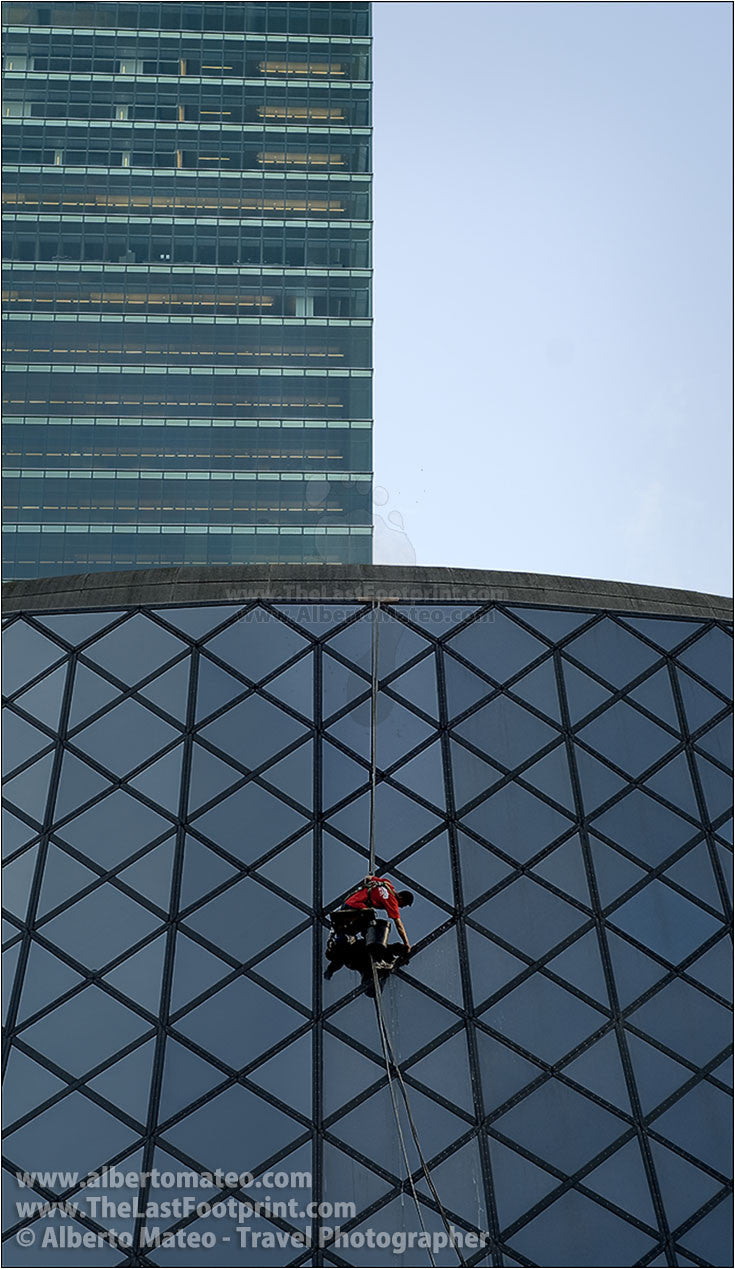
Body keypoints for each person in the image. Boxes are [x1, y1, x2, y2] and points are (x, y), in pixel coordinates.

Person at [343, 876, 413, 954]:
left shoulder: (387, 883)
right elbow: (399, 925)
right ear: (400, 897)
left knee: (367, 919)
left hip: (348, 903)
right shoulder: (392, 902)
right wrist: (406, 943)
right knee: (373, 924)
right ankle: (373, 950)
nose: (402, 907)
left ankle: (349, 938)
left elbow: (368, 878)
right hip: (356, 908)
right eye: (404, 904)